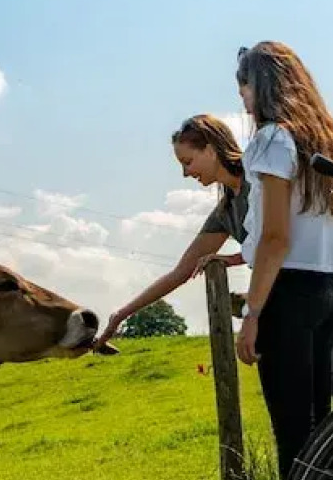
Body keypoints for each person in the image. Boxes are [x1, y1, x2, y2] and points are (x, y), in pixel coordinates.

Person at [232, 40, 333, 480]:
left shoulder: (270, 139)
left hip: (290, 294)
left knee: (295, 433)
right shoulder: (325, 138)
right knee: (320, 428)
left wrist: (252, 312)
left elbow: (276, 237)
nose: (241, 102)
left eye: (242, 89)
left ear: (260, 86)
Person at [95, 114, 252, 347]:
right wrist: (121, 315)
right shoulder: (226, 210)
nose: (185, 174)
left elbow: (282, 240)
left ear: (210, 150)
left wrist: (232, 258)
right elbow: (181, 272)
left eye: (188, 162)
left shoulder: (262, 182)